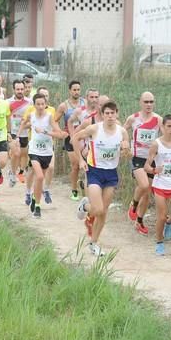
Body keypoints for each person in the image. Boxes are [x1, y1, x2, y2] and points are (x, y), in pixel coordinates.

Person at [73, 100, 131, 257]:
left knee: (103, 212)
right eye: (107, 113)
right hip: (94, 171)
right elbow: (75, 138)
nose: (110, 116)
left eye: (113, 113)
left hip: (111, 173)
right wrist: (80, 160)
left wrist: (126, 150)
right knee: (97, 209)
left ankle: (94, 243)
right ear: (103, 115)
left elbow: (127, 153)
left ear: (117, 114)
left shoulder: (122, 132)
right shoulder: (94, 128)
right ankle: (85, 206)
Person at [143, 114, 171, 256]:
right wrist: (154, 170)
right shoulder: (156, 144)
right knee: (161, 217)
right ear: (162, 127)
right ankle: (159, 242)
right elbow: (146, 166)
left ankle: (169, 223)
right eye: (169, 126)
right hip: (161, 185)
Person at [18, 93, 68, 218]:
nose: (40, 106)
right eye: (38, 104)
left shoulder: (50, 117)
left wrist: (45, 131)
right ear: (34, 105)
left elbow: (59, 134)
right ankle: (38, 208)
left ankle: (35, 198)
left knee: (41, 178)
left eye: (42, 104)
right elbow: (23, 124)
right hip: (34, 151)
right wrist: (17, 137)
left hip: (47, 152)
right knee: (39, 177)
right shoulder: (31, 115)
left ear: (46, 105)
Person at [124, 92, 162, 236]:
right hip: (137, 159)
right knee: (144, 185)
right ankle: (133, 205)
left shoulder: (158, 119)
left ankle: (139, 221)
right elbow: (122, 130)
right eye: (146, 102)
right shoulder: (133, 118)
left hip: (151, 160)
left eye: (151, 102)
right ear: (140, 102)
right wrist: (125, 144)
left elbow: (165, 136)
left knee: (147, 194)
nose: (149, 105)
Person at [54, 81, 86, 201]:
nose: (77, 92)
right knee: (75, 165)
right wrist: (60, 132)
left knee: (87, 163)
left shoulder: (85, 103)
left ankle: (83, 182)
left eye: (78, 89)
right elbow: (54, 120)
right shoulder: (64, 106)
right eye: (74, 90)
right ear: (70, 90)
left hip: (83, 136)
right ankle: (74, 190)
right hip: (70, 138)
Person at [7, 80, 32, 186]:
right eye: (18, 89)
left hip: (24, 132)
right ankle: (12, 173)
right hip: (12, 131)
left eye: (22, 89)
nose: (20, 91)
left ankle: (20, 172)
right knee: (16, 153)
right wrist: (7, 131)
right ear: (14, 90)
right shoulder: (8, 102)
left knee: (23, 154)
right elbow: (6, 117)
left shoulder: (29, 102)